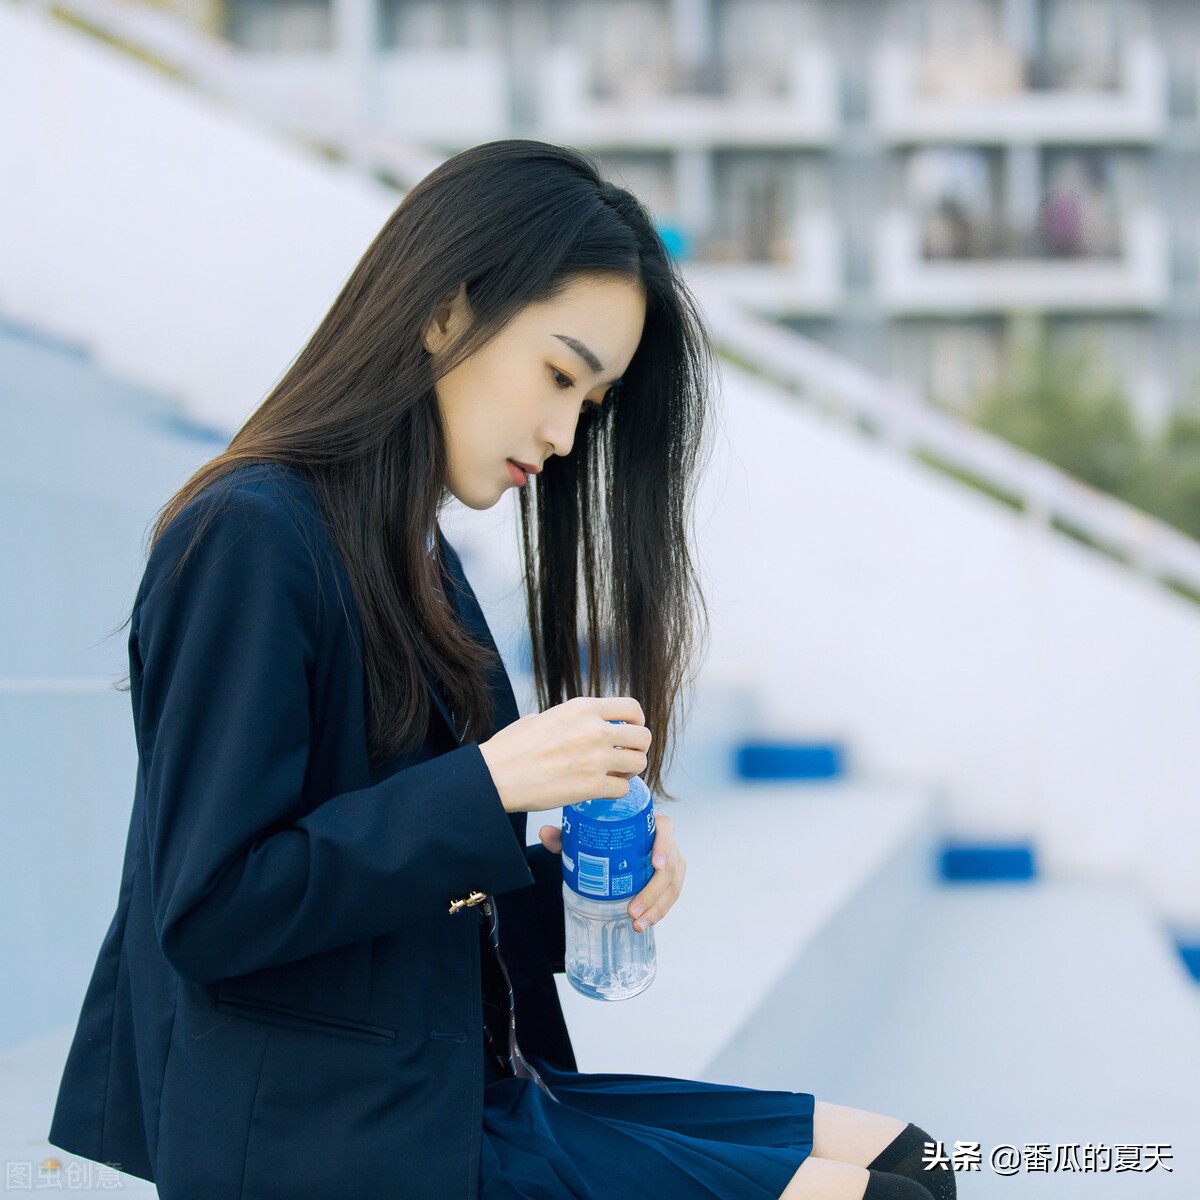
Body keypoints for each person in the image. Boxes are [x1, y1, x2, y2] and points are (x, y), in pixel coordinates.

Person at [48, 139, 956, 1200]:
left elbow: (397, 901)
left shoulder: (419, 558)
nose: (567, 434)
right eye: (560, 374)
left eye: (593, 402)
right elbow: (214, 911)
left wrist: (569, 888)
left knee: (914, 1161)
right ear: (445, 312)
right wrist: (488, 788)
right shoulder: (248, 536)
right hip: (338, 1145)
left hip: (453, 1096)